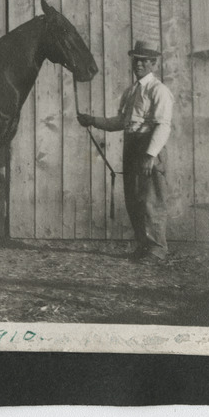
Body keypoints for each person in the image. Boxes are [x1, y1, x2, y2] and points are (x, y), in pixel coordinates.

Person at [77, 39, 176, 262]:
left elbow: (163, 125)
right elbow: (120, 122)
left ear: (153, 64)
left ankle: (157, 249)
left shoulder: (158, 90)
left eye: (144, 61)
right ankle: (144, 246)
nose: (138, 65)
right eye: (136, 60)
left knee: (151, 199)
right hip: (131, 146)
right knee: (134, 199)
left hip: (149, 145)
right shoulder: (131, 91)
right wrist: (92, 120)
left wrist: (151, 155)